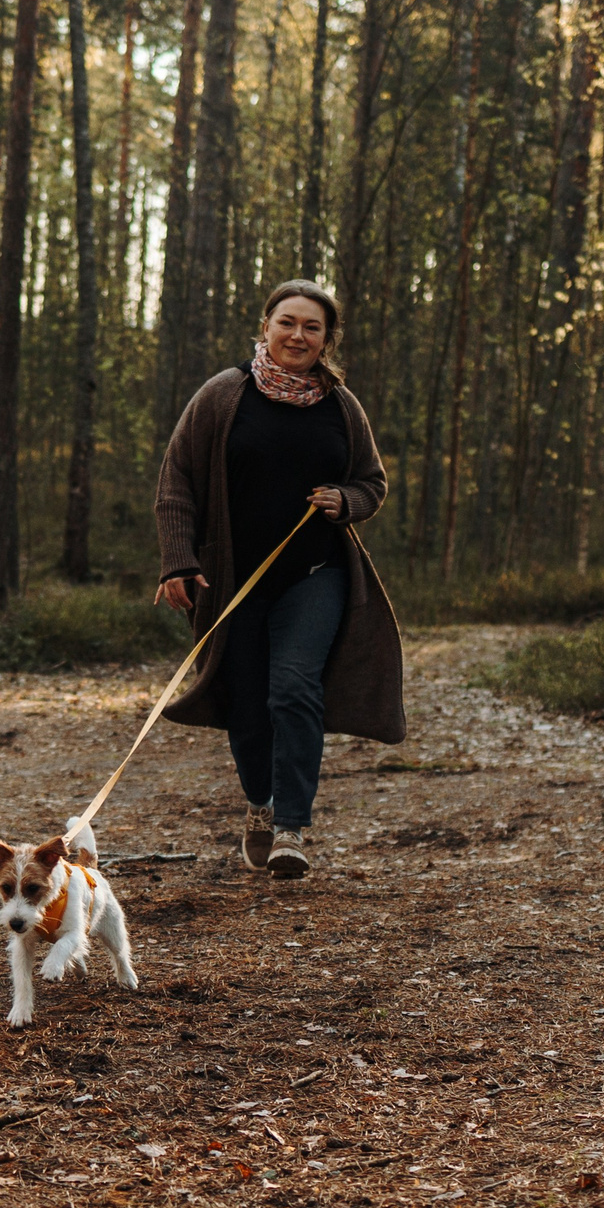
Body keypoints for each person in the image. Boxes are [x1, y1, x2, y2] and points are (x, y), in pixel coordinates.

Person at [153, 280, 406, 879]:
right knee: (247, 702)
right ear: (266, 326)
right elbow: (176, 484)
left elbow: (373, 482)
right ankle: (261, 805)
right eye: (287, 323)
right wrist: (177, 562)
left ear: (327, 339)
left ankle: (292, 826)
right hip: (230, 580)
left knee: (293, 688)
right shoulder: (223, 395)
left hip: (314, 575)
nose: (298, 335)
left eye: (312, 327)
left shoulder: (342, 406)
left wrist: (345, 500)